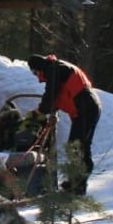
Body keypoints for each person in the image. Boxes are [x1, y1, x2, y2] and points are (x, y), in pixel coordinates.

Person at [27, 53, 101, 194]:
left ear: (38, 68)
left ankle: (78, 185)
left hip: (86, 107)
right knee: (79, 146)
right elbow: (59, 96)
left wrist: (41, 111)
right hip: (86, 107)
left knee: (76, 147)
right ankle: (76, 183)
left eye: (35, 72)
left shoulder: (53, 69)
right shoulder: (57, 68)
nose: (37, 77)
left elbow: (51, 94)